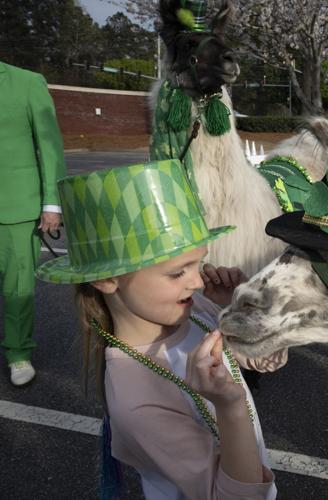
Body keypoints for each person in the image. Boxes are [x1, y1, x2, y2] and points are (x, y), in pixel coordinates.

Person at [36, 160, 284, 499]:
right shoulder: (137, 401)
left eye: (199, 263)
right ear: (108, 279)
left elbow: (268, 361)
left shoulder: (195, 309)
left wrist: (235, 311)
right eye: (177, 273)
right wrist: (230, 407)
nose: (197, 281)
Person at [0, 60, 66, 386]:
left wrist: (51, 203)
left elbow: (50, 145)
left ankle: (18, 353)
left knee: (17, 290)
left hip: (15, 207)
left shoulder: (26, 83)